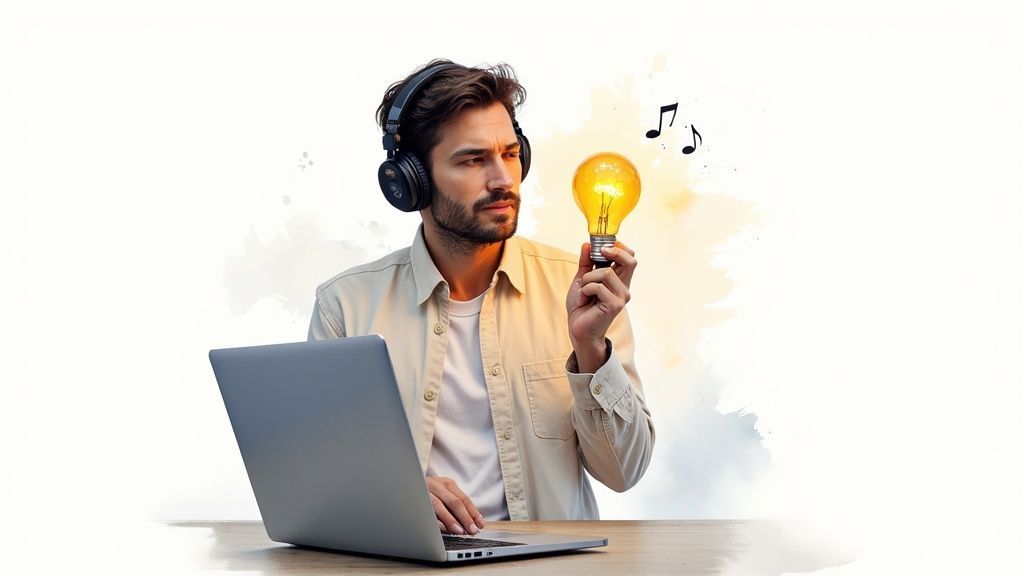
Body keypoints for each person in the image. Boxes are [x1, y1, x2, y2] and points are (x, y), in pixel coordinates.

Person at [308, 59, 654, 536]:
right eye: (473, 160)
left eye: (511, 155)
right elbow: (321, 479)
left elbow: (624, 471)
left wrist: (591, 350)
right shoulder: (345, 307)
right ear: (411, 181)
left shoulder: (584, 292)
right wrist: (393, 491)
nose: (503, 181)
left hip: (546, 571)